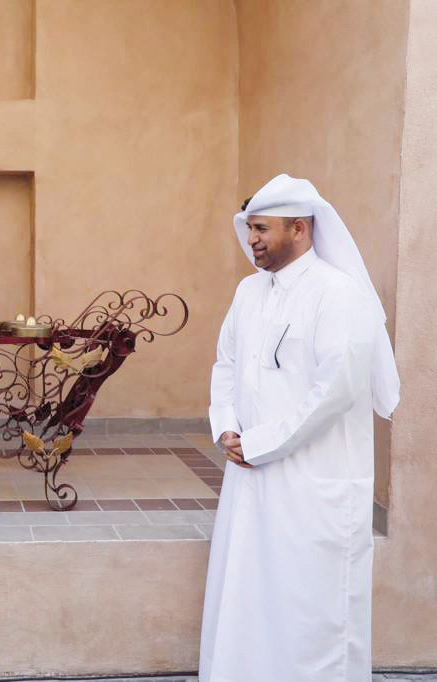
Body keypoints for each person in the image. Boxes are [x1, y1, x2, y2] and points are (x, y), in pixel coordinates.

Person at [200, 173, 400, 682]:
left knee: (311, 607)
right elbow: (226, 363)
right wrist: (225, 428)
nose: (253, 241)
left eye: (263, 229)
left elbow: (336, 390)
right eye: (250, 229)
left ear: (301, 229)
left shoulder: (337, 294)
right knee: (249, 592)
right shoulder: (248, 291)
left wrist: (259, 443)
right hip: (249, 474)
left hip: (313, 481)